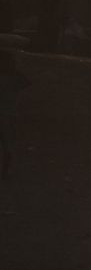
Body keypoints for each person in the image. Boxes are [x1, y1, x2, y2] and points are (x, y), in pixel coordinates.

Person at [0, 49, 29, 183]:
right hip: (9, 114)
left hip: (6, 114)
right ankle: (5, 170)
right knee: (7, 144)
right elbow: (26, 82)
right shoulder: (16, 79)